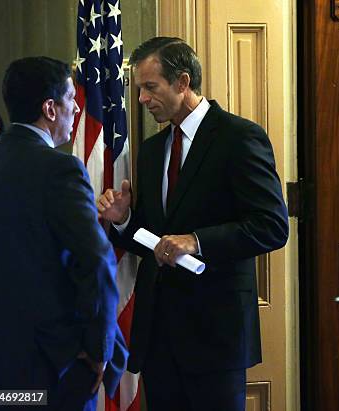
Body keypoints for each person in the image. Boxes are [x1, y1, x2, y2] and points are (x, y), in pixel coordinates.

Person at [97, 37, 289, 411]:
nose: (142, 99)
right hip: (159, 338)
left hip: (215, 337)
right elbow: (156, 241)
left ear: (182, 82)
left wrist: (197, 241)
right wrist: (124, 223)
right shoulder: (152, 151)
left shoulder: (239, 138)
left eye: (150, 88)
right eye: (139, 90)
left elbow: (272, 225)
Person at [0, 56, 127, 411]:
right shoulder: (60, 169)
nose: (77, 108)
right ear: (50, 108)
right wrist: (98, 351)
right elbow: (98, 260)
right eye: (71, 99)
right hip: (52, 368)